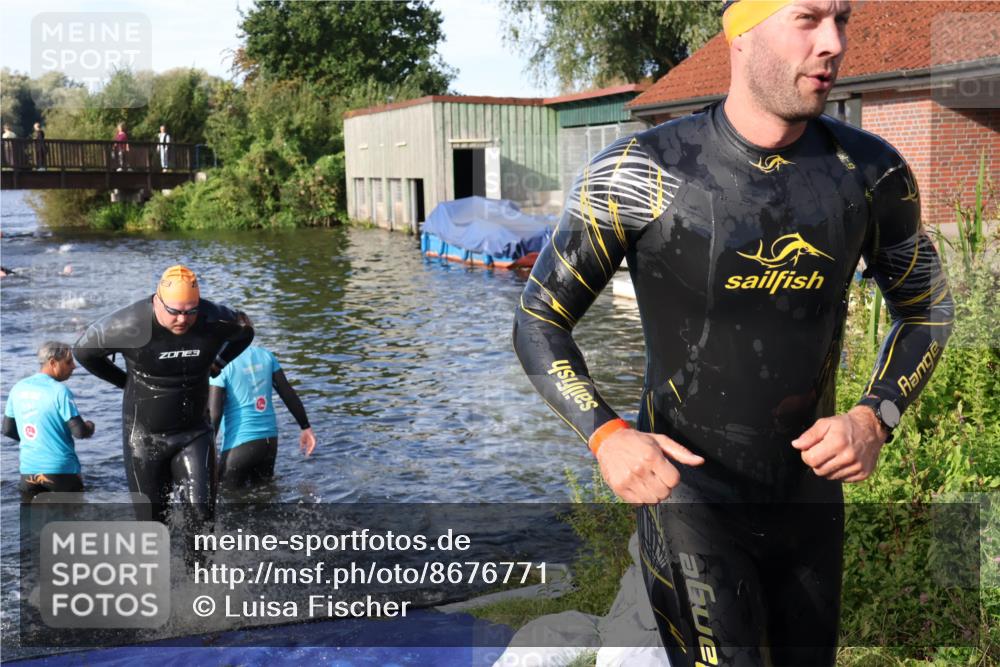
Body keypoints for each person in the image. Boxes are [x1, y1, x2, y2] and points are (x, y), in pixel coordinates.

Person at [511, 1, 954, 664]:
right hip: (691, 499)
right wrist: (606, 435)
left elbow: (928, 311)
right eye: (807, 19)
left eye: (843, 19)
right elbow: (540, 319)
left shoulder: (871, 174)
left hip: (807, 499)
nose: (833, 43)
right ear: (741, 30)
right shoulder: (642, 171)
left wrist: (874, 416)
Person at [73, 266, 253, 536]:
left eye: (191, 311)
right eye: (175, 311)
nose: (183, 319)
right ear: (157, 300)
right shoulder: (129, 324)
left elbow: (246, 332)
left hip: (195, 433)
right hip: (144, 438)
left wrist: (218, 363)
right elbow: (83, 352)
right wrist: (123, 381)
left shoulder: (214, 319)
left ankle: (201, 578)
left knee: (203, 520)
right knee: (153, 526)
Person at [208, 345, 316, 492]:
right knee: (265, 498)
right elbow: (287, 393)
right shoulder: (266, 355)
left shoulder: (221, 363)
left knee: (226, 503)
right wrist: (305, 427)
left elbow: (214, 414)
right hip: (269, 444)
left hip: (239, 446)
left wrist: (207, 450)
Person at [3, 342, 96, 501]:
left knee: (33, 524)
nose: (74, 366)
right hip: (61, 472)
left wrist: (38, 440)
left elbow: (7, 430)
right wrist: (90, 426)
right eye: (68, 362)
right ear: (53, 362)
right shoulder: (60, 391)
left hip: (28, 473)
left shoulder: (18, 388)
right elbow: (79, 432)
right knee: (73, 523)